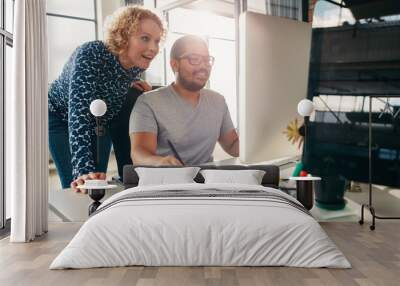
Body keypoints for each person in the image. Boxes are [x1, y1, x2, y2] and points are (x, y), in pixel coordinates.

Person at [48, 6, 166, 192]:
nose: (153, 48)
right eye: (145, 38)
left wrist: (134, 82)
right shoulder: (90, 55)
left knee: (98, 183)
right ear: (124, 35)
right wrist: (83, 169)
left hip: (100, 121)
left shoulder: (135, 65)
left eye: (157, 41)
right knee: (81, 184)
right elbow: (78, 116)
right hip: (63, 119)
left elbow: (114, 76)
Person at [129, 35, 239, 166]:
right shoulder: (148, 102)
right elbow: (139, 154)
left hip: (206, 180)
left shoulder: (218, 101)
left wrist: (260, 138)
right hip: (167, 179)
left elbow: (232, 146)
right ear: (175, 64)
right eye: (194, 59)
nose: (204, 66)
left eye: (206, 60)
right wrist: (160, 162)